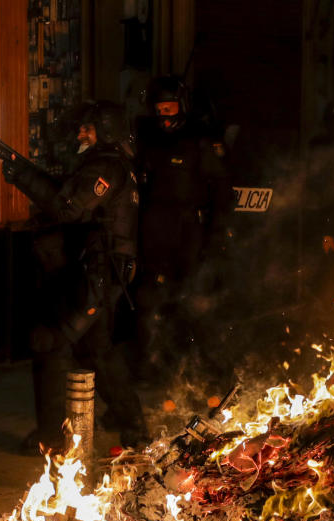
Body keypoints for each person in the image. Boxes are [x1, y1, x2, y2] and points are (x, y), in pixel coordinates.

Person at [0, 100, 149, 453]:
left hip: (99, 273)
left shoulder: (107, 168)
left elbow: (68, 207)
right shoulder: (106, 164)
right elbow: (66, 195)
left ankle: (52, 438)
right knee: (96, 351)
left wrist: (24, 176)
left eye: (89, 128)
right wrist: (24, 171)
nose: (80, 133)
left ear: (107, 131)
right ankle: (134, 426)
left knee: (51, 342)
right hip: (98, 271)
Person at [132, 75, 233, 383]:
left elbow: (222, 191)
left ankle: (205, 368)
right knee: (151, 299)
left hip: (190, 232)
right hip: (155, 232)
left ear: (182, 107)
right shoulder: (147, 142)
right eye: (160, 109)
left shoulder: (198, 142)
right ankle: (152, 366)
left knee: (195, 300)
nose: (165, 115)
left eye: (170, 108)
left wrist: (217, 235)